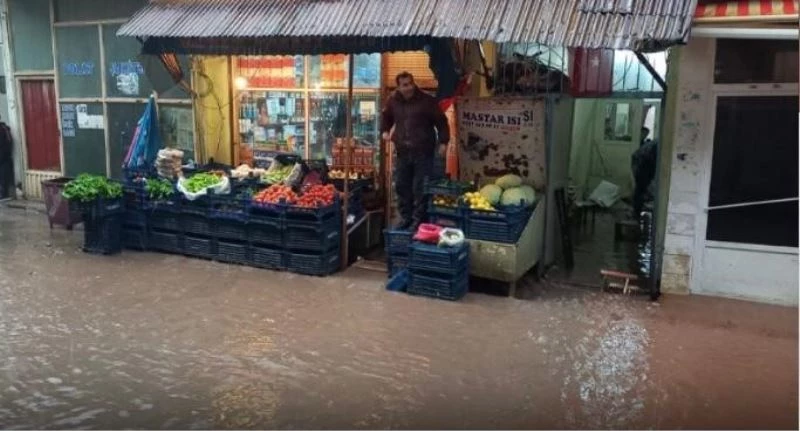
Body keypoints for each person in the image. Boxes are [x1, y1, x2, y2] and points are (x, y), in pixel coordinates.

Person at [381, 72, 450, 231]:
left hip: (423, 153)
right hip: (402, 152)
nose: (409, 87)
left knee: (420, 188)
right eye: (405, 85)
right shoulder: (393, 101)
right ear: (399, 87)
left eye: (410, 83)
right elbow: (386, 117)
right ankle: (406, 218)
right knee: (401, 186)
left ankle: (418, 220)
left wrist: (444, 142)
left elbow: (441, 122)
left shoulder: (427, 101)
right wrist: (385, 130)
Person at [631, 127, 657, 219]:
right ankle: (636, 213)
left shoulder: (658, 144)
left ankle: (637, 211)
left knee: (642, 188)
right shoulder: (657, 147)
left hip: (643, 160)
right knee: (641, 188)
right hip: (642, 161)